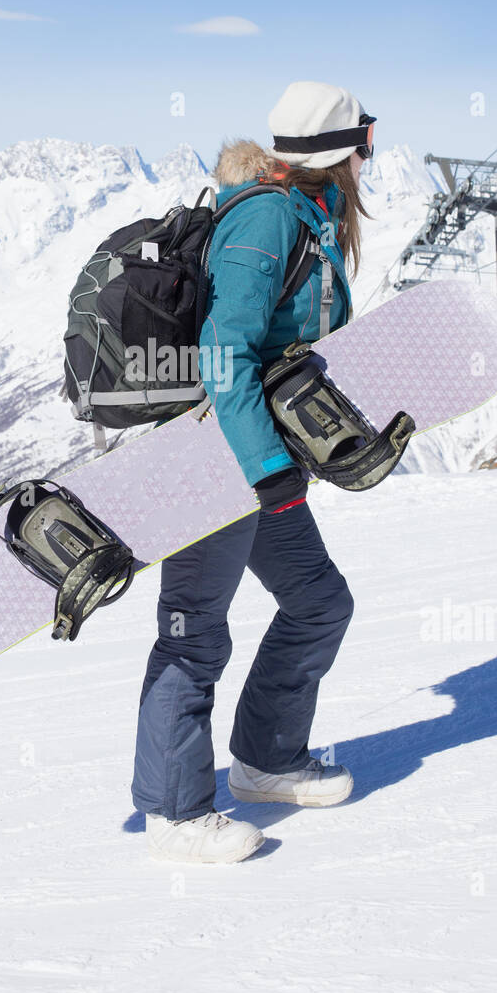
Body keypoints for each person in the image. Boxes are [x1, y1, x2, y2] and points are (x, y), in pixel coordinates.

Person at [131, 81, 372, 863]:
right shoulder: (266, 218)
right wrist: (268, 466)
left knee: (318, 602)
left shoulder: (305, 211)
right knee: (193, 633)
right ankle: (175, 812)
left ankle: (267, 760)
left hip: (259, 453)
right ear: (342, 151)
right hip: (215, 454)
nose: (370, 154)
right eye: (364, 139)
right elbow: (224, 350)